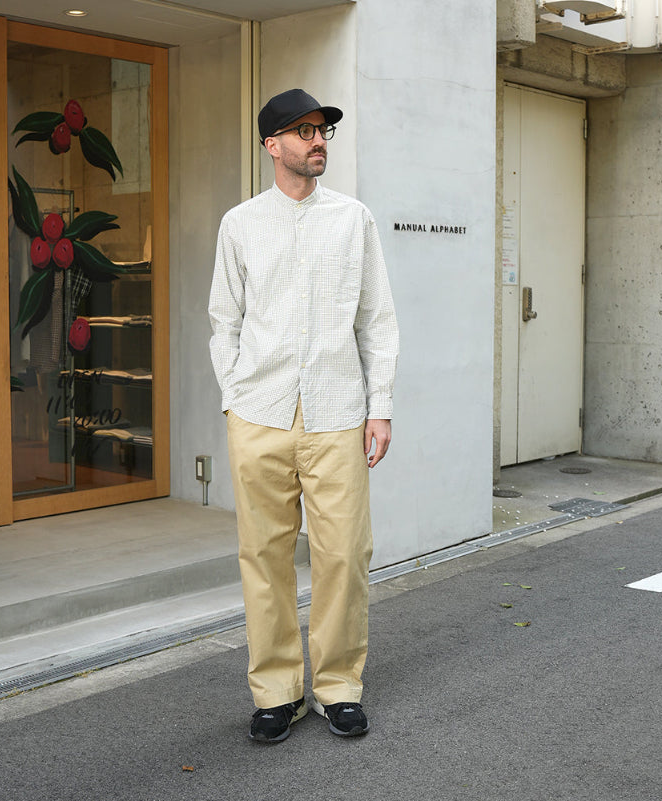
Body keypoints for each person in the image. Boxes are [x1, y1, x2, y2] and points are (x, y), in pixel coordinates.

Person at [208, 88, 399, 743]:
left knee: (344, 553)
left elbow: (376, 319)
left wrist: (380, 407)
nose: (318, 141)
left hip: (338, 413)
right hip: (258, 413)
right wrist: (235, 395)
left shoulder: (353, 220)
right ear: (272, 145)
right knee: (263, 557)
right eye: (303, 131)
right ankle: (277, 691)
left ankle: (338, 685)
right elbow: (224, 320)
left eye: (323, 131)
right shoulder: (240, 224)